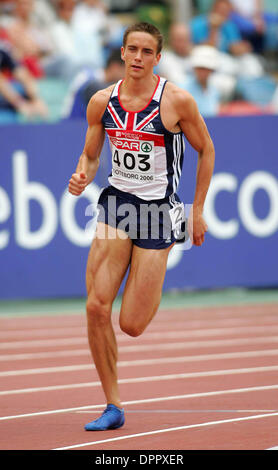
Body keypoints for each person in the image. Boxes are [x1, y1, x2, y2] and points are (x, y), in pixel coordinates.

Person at [68, 21, 215, 431]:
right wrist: (82, 174)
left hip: (158, 212)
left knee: (131, 324)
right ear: (121, 52)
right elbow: (91, 155)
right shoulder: (101, 102)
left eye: (146, 51)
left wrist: (197, 211)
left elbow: (207, 151)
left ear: (157, 58)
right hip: (117, 203)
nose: (137, 57)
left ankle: (154, 259)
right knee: (97, 306)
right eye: (131, 49)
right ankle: (112, 405)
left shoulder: (177, 102)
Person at [62, 48, 125, 119]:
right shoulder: (87, 76)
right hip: (72, 123)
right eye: (126, 70)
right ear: (115, 67)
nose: (128, 76)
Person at [180, 45, 221, 117]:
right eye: (200, 68)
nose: (203, 72)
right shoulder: (182, 89)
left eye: (206, 68)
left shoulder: (214, 89)